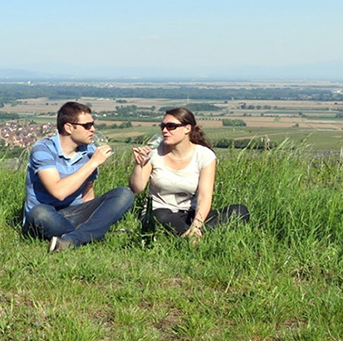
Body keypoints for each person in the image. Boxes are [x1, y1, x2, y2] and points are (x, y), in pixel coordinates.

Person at [23, 102, 135, 252]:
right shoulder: (43, 149)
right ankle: (91, 233)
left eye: (93, 124)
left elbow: (88, 192)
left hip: (75, 213)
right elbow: (58, 192)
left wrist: (93, 213)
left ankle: (73, 238)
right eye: (87, 125)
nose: (93, 129)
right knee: (40, 213)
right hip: (48, 216)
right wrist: (93, 163)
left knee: (124, 193)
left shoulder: (89, 151)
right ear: (69, 128)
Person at [129, 107, 249, 240]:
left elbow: (205, 196)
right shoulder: (154, 153)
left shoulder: (204, 155)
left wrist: (196, 225)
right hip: (161, 211)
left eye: (171, 126)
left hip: (191, 214)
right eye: (163, 126)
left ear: (187, 128)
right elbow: (137, 188)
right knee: (161, 217)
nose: (164, 130)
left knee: (239, 211)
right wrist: (139, 164)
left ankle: (187, 234)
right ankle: (192, 237)